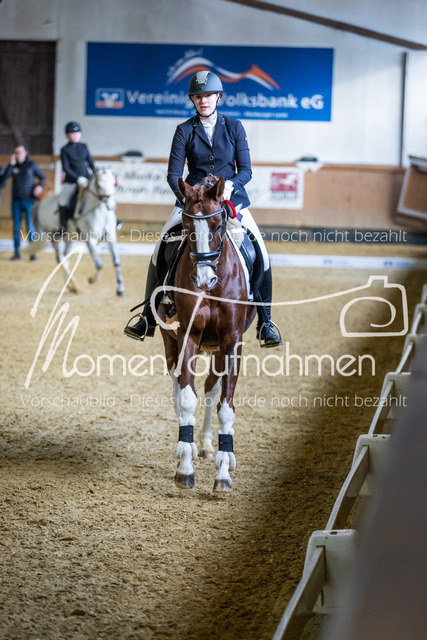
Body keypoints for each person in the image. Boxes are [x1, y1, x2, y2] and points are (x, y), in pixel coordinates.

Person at [124, 70, 282, 348]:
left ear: (218, 97)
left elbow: (246, 170)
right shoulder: (184, 130)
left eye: (208, 95)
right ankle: (147, 316)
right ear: (192, 100)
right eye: (198, 97)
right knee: (160, 247)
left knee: (261, 251)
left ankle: (265, 322)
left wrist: (230, 185)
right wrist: (189, 197)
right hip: (193, 203)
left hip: (230, 200)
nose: (203, 100)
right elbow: (174, 174)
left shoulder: (234, 127)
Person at [2, 144, 45, 260]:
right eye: (16, 153)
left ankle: (32, 252)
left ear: (25, 153)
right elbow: (3, 179)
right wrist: (11, 164)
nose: (18, 155)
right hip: (16, 202)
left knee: (30, 227)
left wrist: (40, 186)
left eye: (20, 152)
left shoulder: (32, 165)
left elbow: (43, 178)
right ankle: (16, 253)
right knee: (16, 228)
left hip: (29, 201)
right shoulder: (13, 166)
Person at [59, 121, 96, 233]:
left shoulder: (84, 147)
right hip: (71, 181)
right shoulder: (65, 150)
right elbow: (66, 168)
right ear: (67, 135)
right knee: (63, 200)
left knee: (102, 194)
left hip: (86, 179)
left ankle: (114, 220)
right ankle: (63, 226)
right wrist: (77, 179)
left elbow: (91, 163)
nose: (75, 135)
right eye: (72, 133)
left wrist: (95, 175)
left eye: (77, 133)